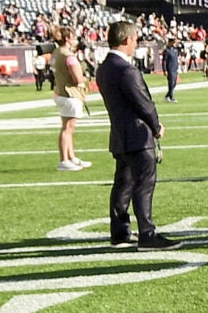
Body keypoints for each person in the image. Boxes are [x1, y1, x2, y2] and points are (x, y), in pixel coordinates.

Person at [97, 18, 170, 248]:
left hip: (120, 134)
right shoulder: (125, 70)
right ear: (127, 40)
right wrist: (156, 126)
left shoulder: (105, 67)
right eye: (135, 39)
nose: (136, 43)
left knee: (123, 184)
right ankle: (147, 233)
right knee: (143, 184)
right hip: (137, 136)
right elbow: (143, 103)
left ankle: (119, 231)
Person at [50, 28, 91, 172]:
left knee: (67, 127)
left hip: (60, 92)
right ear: (67, 39)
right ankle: (64, 160)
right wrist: (85, 78)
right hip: (70, 93)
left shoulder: (56, 53)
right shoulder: (69, 56)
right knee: (67, 128)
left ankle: (71, 157)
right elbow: (77, 79)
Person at [160, 33, 182, 102]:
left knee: (174, 83)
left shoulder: (175, 50)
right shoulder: (167, 51)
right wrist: (165, 70)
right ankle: (171, 97)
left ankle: (168, 96)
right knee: (171, 83)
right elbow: (164, 61)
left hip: (175, 68)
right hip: (170, 69)